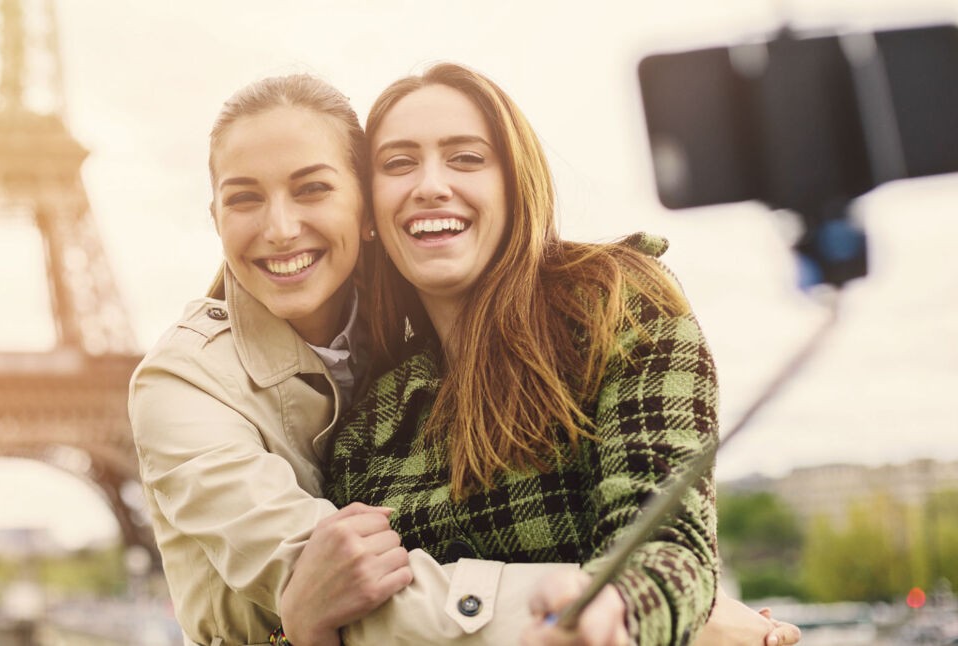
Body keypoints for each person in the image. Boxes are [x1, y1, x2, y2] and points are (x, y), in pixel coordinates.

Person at [324, 62, 801, 646]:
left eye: (467, 157)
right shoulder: (364, 428)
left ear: (516, 182)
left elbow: (668, 539)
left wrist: (614, 609)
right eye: (399, 163)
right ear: (369, 211)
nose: (430, 185)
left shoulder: (618, 308)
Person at [130, 72, 592, 646]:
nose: (280, 229)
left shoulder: (418, 322)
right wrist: (610, 600)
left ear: (367, 205)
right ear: (216, 217)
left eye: (312, 189)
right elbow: (339, 589)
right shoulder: (181, 383)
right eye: (245, 198)